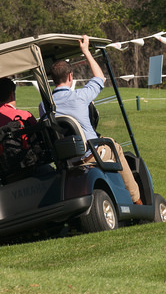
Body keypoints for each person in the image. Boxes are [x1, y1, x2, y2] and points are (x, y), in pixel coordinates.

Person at [50, 35, 143, 205]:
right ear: (70, 76)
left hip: (67, 160)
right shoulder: (80, 96)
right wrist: (86, 51)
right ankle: (136, 200)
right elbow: (100, 78)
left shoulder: (44, 106)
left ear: (53, 79)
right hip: (91, 155)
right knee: (115, 147)